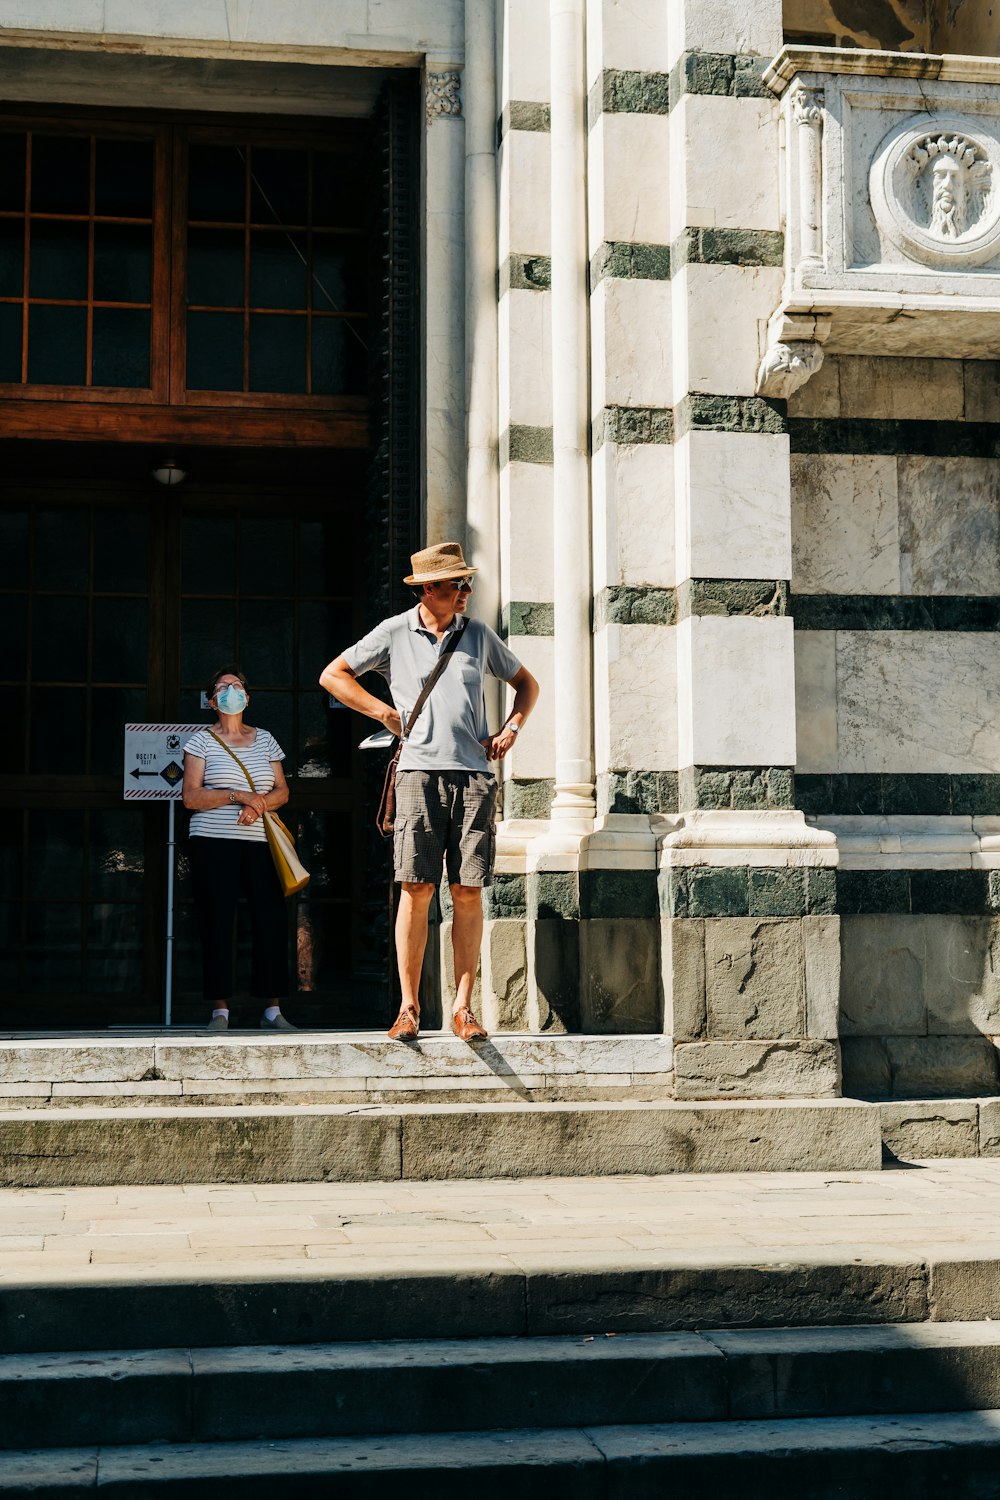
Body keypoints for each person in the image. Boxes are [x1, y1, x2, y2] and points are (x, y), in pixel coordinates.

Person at [320, 542, 539, 1041]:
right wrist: (383, 713)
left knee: (466, 890)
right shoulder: (395, 632)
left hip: (474, 776)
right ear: (426, 590)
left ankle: (463, 1008)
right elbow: (333, 675)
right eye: (455, 585)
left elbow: (527, 684)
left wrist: (512, 729)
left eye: (467, 584)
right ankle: (409, 1007)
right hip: (417, 773)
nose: (465, 592)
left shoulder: (478, 635)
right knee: (415, 890)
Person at [181, 666, 296, 1032]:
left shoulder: (265, 740)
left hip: (261, 844)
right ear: (212, 701)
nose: (232, 691)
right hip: (212, 843)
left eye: (238, 686)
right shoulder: (200, 742)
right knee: (217, 922)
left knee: (271, 921)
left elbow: (282, 791)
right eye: (224, 687)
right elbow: (191, 797)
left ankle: (272, 1010)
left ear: (248, 697)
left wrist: (257, 804)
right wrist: (237, 795)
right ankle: (220, 1010)